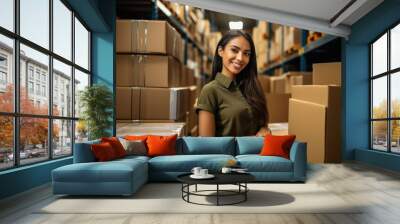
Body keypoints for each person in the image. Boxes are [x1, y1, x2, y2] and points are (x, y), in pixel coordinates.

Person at [195, 30, 270, 137]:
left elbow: (261, 123)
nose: (240, 58)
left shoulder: (252, 87)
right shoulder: (210, 91)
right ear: (221, 51)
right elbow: (207, 145)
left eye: (246, 53)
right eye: (234, 50)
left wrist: (264, 129)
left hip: (258, 153)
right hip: (229, 154)